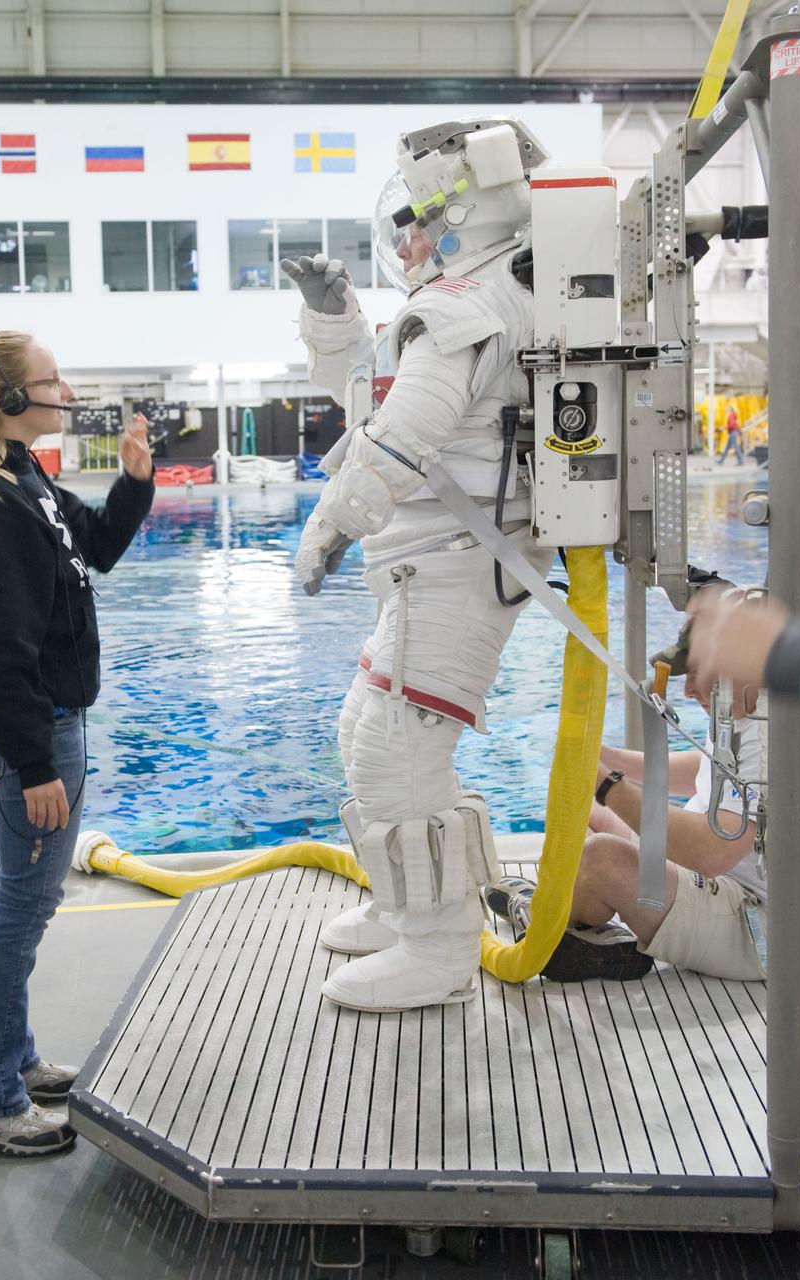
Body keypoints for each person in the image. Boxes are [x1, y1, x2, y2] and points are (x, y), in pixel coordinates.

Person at [282, 119, 554, 1012]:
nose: (403, 241)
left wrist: (327, 527)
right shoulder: (469, 300)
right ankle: (410, 910)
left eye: (414, 219)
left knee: (398, 760)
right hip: (432, 567)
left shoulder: (465, 308)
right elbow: (379, 395)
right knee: (366, 738)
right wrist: (335, 322)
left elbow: (399, 440)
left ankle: (438, 949)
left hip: (452, 570)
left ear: (461, 213)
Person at [0, 330, 155, 1155]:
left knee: (2, 900)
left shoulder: (21, 475)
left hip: (44, 719)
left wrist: (133, 478)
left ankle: (4, 1060)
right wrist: (37, 763)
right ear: (12, 400)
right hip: (36, 726)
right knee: (21, 910)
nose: (67, 390)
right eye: (54, 381)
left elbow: (101, 549)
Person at [485, 613, 800, 982]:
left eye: (697, 672)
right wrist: (606, 756)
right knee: (580, 811)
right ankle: (592, 930)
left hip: (761, 929)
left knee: (601, 858)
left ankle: (546, 915)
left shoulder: (780, 735)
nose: (689, 690)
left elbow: (711, 852)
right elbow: (702, 770)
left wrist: (608, 785)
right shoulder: (749, 706)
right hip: (713, 886)